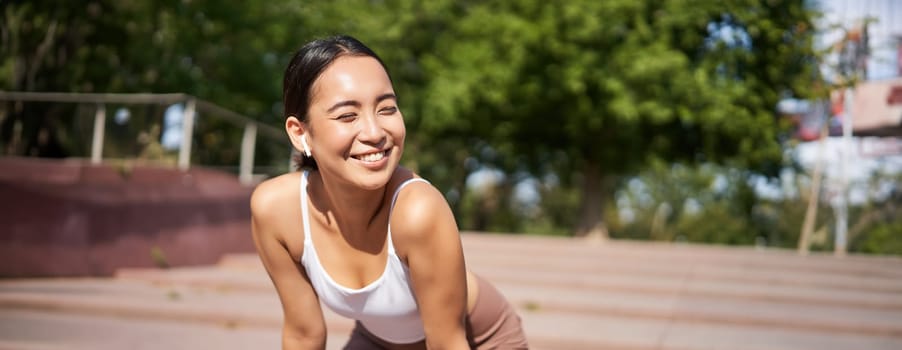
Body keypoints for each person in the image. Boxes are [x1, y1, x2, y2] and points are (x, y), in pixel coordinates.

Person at [250, 35, 529, 350]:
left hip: (479, 341)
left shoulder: (418, 210)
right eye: (347, 115)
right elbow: (304, 334)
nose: (374, 132)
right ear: (300, 133)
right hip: (378, 341)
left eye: (387, 109)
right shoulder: (276, 210)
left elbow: (447, 343)